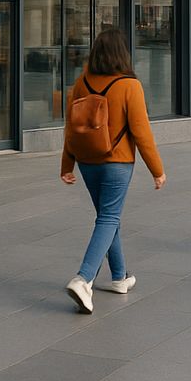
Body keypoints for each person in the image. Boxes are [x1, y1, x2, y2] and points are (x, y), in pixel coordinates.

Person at [61, 29, 166, 314]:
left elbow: (72, 127)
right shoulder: (130, 86)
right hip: (117, 162)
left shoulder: (81, 82)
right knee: (108, 217)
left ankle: (120, 277)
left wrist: (67, 164)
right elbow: (142, 133)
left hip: (87, 161)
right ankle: (84, 279)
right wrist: (157, 170)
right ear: (123, 53)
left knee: (108, 217)